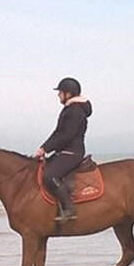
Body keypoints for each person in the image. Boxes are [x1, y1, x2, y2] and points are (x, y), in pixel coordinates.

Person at [33, 77, 92, 222]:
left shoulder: (75, 110)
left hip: (72, 152)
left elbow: (66, 135)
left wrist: (46, 148)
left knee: (49, 175)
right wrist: (43, 148)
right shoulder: (70, 109)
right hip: (64, 151)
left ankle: (69, 209)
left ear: (68, 93)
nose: (58, 95)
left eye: (60, 92)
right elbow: (57, 133)